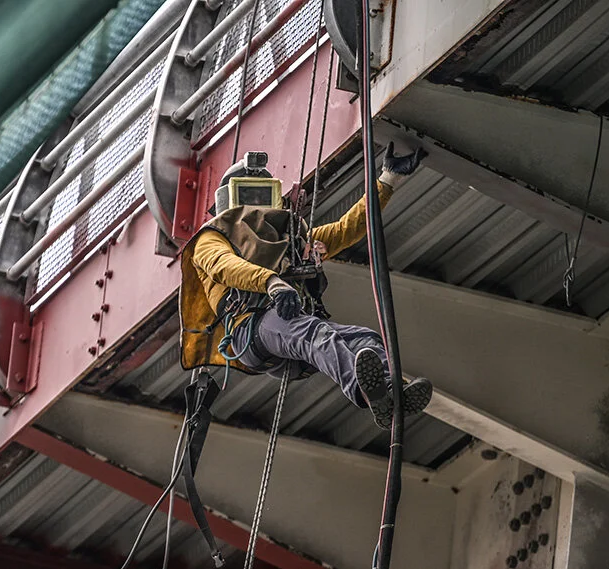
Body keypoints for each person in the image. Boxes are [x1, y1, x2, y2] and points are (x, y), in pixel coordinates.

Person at [179, 143, 432, 429]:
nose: (256, 205)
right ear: (229, 199)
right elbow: (223, 265)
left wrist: (388, 179)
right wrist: (272, 282)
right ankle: (363, 391)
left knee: (367, 340)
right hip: (251, 329)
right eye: (247, 195)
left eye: (264, 196)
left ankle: (391, 395)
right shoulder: (211, 238)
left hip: (292, 333)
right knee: (315, 332)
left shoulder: (292, 242)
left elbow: (347, 229)